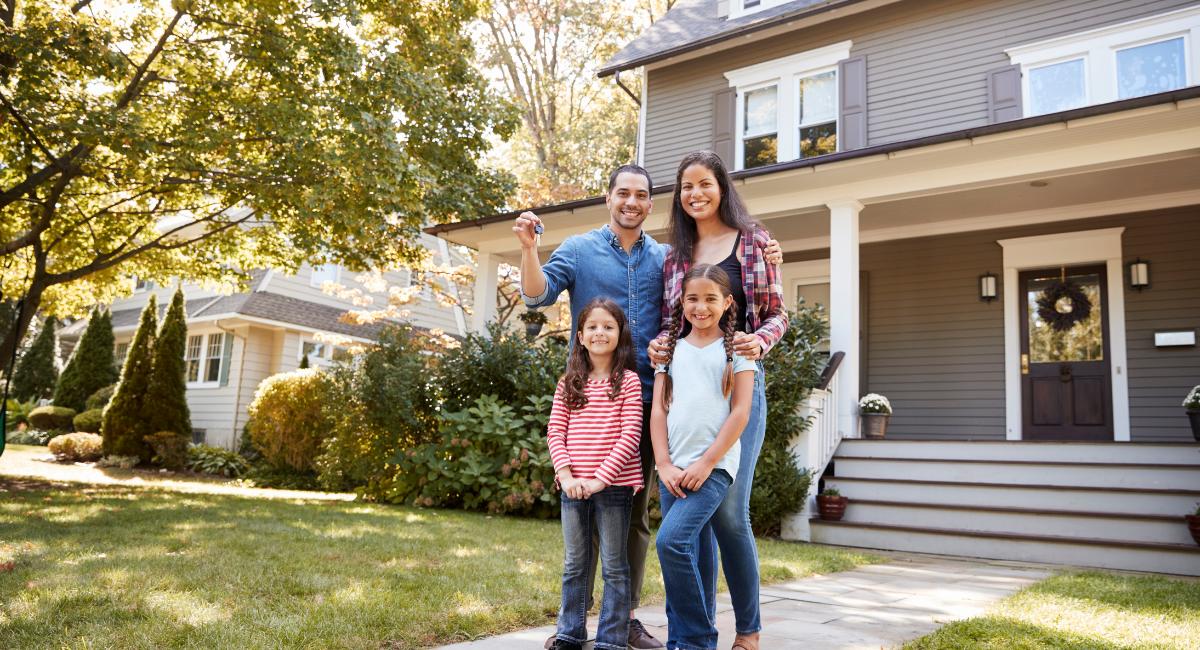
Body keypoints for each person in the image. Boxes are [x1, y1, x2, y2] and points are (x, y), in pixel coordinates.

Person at [516, 164, 781, 649]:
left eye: (641, 195)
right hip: (604, 400)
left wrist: (768, 262)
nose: (631, 202)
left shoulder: (669, 255)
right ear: (608, 198)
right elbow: (536, 297)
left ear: (652, 204)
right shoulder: (582, 249)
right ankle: (579, 626)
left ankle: (629, 621)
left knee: (641, 516)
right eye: (623, 193)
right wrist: (530, 249)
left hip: (663, 396)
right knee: (591, 518)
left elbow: (726, 308)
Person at [649, 150, 788, 650]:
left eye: (705, 183)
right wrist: (659, 346)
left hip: (737, 385)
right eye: (686, 186)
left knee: (729, 514)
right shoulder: (674, 255)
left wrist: (757, 342)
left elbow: (777, 314)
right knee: (693, 520)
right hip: (687, 392)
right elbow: (671, 323)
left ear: (722, 187)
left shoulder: (755, 241)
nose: (696, 194)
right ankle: (697, 632)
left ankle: (748, 631)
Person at [651, 264, 756, 650]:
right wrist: (663, 464)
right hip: (673, 470)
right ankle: (679, 640)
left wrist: (708, 462)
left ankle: (698, 640)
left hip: (713, 468)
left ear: (727, 303)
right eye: (693, 298)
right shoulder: (669, 351)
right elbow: (659, 410)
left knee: (671, 542)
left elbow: (740, 412)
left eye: (710, 299)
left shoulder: (737, 351)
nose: (700, 307)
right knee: (688, 553)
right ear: (682, 301)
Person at [546, 298, 644, 650]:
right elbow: (555, 431)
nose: (599, 332)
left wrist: (601, 478)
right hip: (572, 487)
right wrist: (566, 475)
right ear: (580, 336)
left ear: (620, 334)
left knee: (614, 565)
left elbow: (630, 434)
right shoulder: (568, 383)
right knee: (575, 563)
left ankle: (612, 639)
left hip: (614, 486)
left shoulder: (629, 382)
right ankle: (570, 633)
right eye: (592, 327)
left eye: (608, 326)